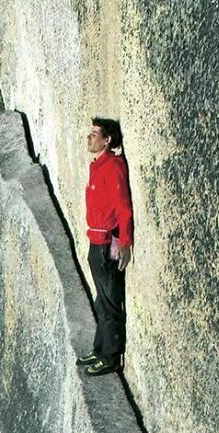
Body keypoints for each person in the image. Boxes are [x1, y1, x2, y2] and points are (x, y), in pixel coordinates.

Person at [76, 117, 134, 376]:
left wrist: (125, 241)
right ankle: (99, 349)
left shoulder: (113, 167)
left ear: (107, 140)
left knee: (110, 303)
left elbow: (123, 207)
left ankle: (111, 358)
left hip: (107, 245)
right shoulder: (97, 166)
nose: (89, 138)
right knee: (102, 301)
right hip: (94, 242)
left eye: (95, 134)